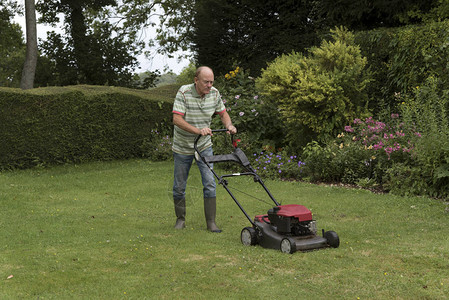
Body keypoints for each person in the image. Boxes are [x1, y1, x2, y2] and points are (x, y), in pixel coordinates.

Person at [171, 66, 237, 233]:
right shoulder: (184, 92)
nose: (209, 85)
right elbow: (177, 119)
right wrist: (198, 131)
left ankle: (211, 223)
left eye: (211, 82)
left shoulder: (214, 93)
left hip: (204, 146)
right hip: (183, 147)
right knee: (179, 186)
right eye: (206, 82)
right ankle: (180, 219)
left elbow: (223, 113)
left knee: (210, 183)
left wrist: (229, 125)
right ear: (196, 80)